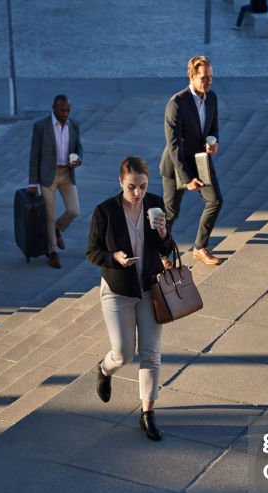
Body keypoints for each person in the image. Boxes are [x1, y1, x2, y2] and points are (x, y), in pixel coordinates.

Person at [87, 157, 176, 441]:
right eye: (131, 187)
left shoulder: (155, 203)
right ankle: (104, 368)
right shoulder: (105, 212)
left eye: (142, 186)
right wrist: (114, 257)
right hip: (118, 291)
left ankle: (148, 413)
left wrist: (163, 232)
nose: (137, 193)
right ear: (120, 183)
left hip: (150, 289)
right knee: (124, 354)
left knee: (151, 354)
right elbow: (92, 252)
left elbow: (166, 247)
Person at [160, 55, 224, 266]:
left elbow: (212, 127)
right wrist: (187, 179)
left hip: (200, 159)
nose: (209, 82)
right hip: (176, 163)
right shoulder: (176, 103)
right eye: (204, 78)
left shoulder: (212, 98)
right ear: (192, 76)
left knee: (215, 201)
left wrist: (212, 143)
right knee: (171, 212)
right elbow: (173, 145)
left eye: (211, 77)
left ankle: (200, 247)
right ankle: (160, 255)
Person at [29, 94, 83, 269]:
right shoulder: (41, 127)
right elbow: (34, 155)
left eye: (68, 110)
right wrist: (32, 183)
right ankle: (53, 252)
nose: (65, 113)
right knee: (49, 215)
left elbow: (78, 147)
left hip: (66, 173)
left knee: (74, 210)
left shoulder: (74, 125)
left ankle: (58, 229)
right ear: (54, 108)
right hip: (48, 177)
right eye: (62, 110)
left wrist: (78, 159)